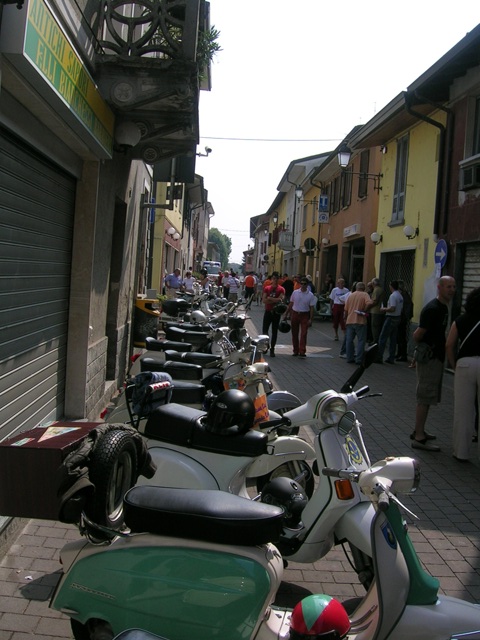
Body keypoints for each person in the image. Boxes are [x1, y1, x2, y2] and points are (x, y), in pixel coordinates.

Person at [411, 275, 456, 451]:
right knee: (425, 396)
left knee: (428, 396)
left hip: (435, 358)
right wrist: (423, 350)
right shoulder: (433, 309)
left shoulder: (443, 307)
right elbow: (417, 334)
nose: (452, 290)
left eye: (453, 287)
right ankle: (419, 437)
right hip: (429, 359)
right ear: (440, 287)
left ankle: (420, 430)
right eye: (448, 287)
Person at [445, 286, 480, 461]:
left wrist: (454, 364)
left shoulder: (460, 320)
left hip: (465, 364)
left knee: (463, 411)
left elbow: (449, 344)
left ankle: (461, 452)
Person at [283, 277, 316, 357]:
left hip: (305, 314)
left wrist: (311, 319)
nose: (303, 285)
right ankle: (295, 350)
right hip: (295, 313)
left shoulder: (310, 295)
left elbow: (312, 308)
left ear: (307, 285)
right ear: (300, 284)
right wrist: (286, 314)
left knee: (304, 333)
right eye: (302, 284)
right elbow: (291, 303)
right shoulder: (295, 292)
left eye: (305, 284)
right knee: (294, 333)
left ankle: (302, 351)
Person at [344, 282, 374, 365]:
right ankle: (359, 359)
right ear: (364, 288)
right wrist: (364, 310)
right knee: (361, 340)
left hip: (350, 320)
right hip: (361, 321)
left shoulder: (351, 295)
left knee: (349, 340)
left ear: (356, 288)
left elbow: (346, 309)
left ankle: (349, 357)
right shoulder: (365, 294)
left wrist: (345, 318)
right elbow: (370, 303)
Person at [376, 280, 404, 364]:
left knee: (383, 337)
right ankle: (391, 357)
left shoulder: (393, 296)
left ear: (391, 286)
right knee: (393, 338)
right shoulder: (400, 296)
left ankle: (379, 356)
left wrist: (384, 309)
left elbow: (392, 308)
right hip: (397, 317)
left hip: (391, 318)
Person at [262, 274, 285, 357]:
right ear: (271, 279)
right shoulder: (267, 288)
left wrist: (270, 298)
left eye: (277, 278)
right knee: (265, 330)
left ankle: (272, 349)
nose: (275, 280)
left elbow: (281, 299)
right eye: (274, 278)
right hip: (268, 311)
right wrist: (275, 300)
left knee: (274, 331)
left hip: (276, 312)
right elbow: (264, 300)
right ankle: (265, 346)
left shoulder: (281, 289)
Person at [396, 280, 414, 361]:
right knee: (399, 336)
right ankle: (400, 353)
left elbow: (407, 307)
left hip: (402, 319)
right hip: (402, 318)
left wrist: (405, 317)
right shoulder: (403, 295)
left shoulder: (404, 295)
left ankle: (403, 355)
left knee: (401, 337)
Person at [369, 278, 386, 345]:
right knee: (377, 326)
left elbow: (374, 301)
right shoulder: (380, 289)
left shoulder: (377, 290)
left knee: (375, 327)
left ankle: (375, 341)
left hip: (376, 311)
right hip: (379, 311)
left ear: (373, 283)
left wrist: (367, 307)